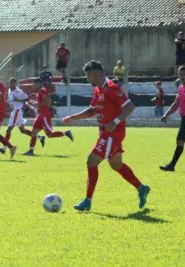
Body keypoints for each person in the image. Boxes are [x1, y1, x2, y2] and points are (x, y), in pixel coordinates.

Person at [62, 60, 151, 211]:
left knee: (91, 161)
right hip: (106, 132)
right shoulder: (97, 90)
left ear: (97, 74)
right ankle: (141, 188)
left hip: (112, 133)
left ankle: (87, 201)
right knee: (116, 165)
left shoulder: (112, 88)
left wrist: (115, 121)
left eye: (89, 75)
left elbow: (130, 106)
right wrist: (73, 118)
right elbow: (92, 110)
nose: (87, 79)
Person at [22, 78, 73, 156]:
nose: (33, 86)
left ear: (39, 84)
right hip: (40, 116)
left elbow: (48, 101)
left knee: (50, 134)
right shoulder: (39, 92)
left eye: (34, 84)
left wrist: (37, 104)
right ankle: (30, 151)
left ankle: (66, 133)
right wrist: (36, 100)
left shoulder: (43, 91)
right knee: (34, 133)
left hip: (44, 116)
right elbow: (43, 101)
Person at [0, 78, 45, 154]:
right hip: (15, 111)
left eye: (13, 83)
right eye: (10, 83)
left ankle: (4, 148)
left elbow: (26, 99)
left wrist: (17, 101)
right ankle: (40, 137)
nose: (11, 84)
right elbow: (11, 100)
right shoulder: (10, 90)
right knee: (22, 131)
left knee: (8, 130)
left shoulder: (19, 91)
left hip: (17, 111)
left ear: (15, 84)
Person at [159, 66, 185, 172]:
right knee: (180, 140)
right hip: (184, 118)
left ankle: (171, 166)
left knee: (180, 140)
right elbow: (176, 103)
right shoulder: (181, 88)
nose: (182, 77)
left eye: (184, 74)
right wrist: (166, 114)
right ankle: (171, 166)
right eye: (180, 74)